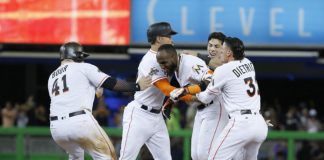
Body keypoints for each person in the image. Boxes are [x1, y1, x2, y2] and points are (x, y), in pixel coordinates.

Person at [48, 42, 151, 160]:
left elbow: (69, 97)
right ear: (77, 55)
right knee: (107, 156)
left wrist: (94, 92)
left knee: (76, 156)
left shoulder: (52, 77)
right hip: (79, 122)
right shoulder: (83, 67)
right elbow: (112, 84)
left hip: (56, 129)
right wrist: (137, 86)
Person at [119, 22, 194, 160]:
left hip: (156, 116)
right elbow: (165, 88)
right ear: (159, 38)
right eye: (168, 36)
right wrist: (191, 97)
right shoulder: (150, 60)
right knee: (126, 158)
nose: (171, 39)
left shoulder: (168, 56)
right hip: (139, 115)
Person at [193, 37, 268, 159]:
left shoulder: (223, 70)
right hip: (259, 123)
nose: (220, 53)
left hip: (241, 123)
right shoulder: (248, 62)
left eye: (222, 49)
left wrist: (191, 93)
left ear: (229, 53)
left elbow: (205, 98)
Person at [156, 44, 228, 160]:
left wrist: (186, 90)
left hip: (214, 106)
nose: (162, 67)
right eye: (160, 64)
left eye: (164, 63)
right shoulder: (176, 67)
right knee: (195, 155)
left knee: (204, 154)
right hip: (200, 109)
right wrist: (171, 100)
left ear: (174, 57)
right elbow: (186, 92)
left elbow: (211, 79)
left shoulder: (190, 63)